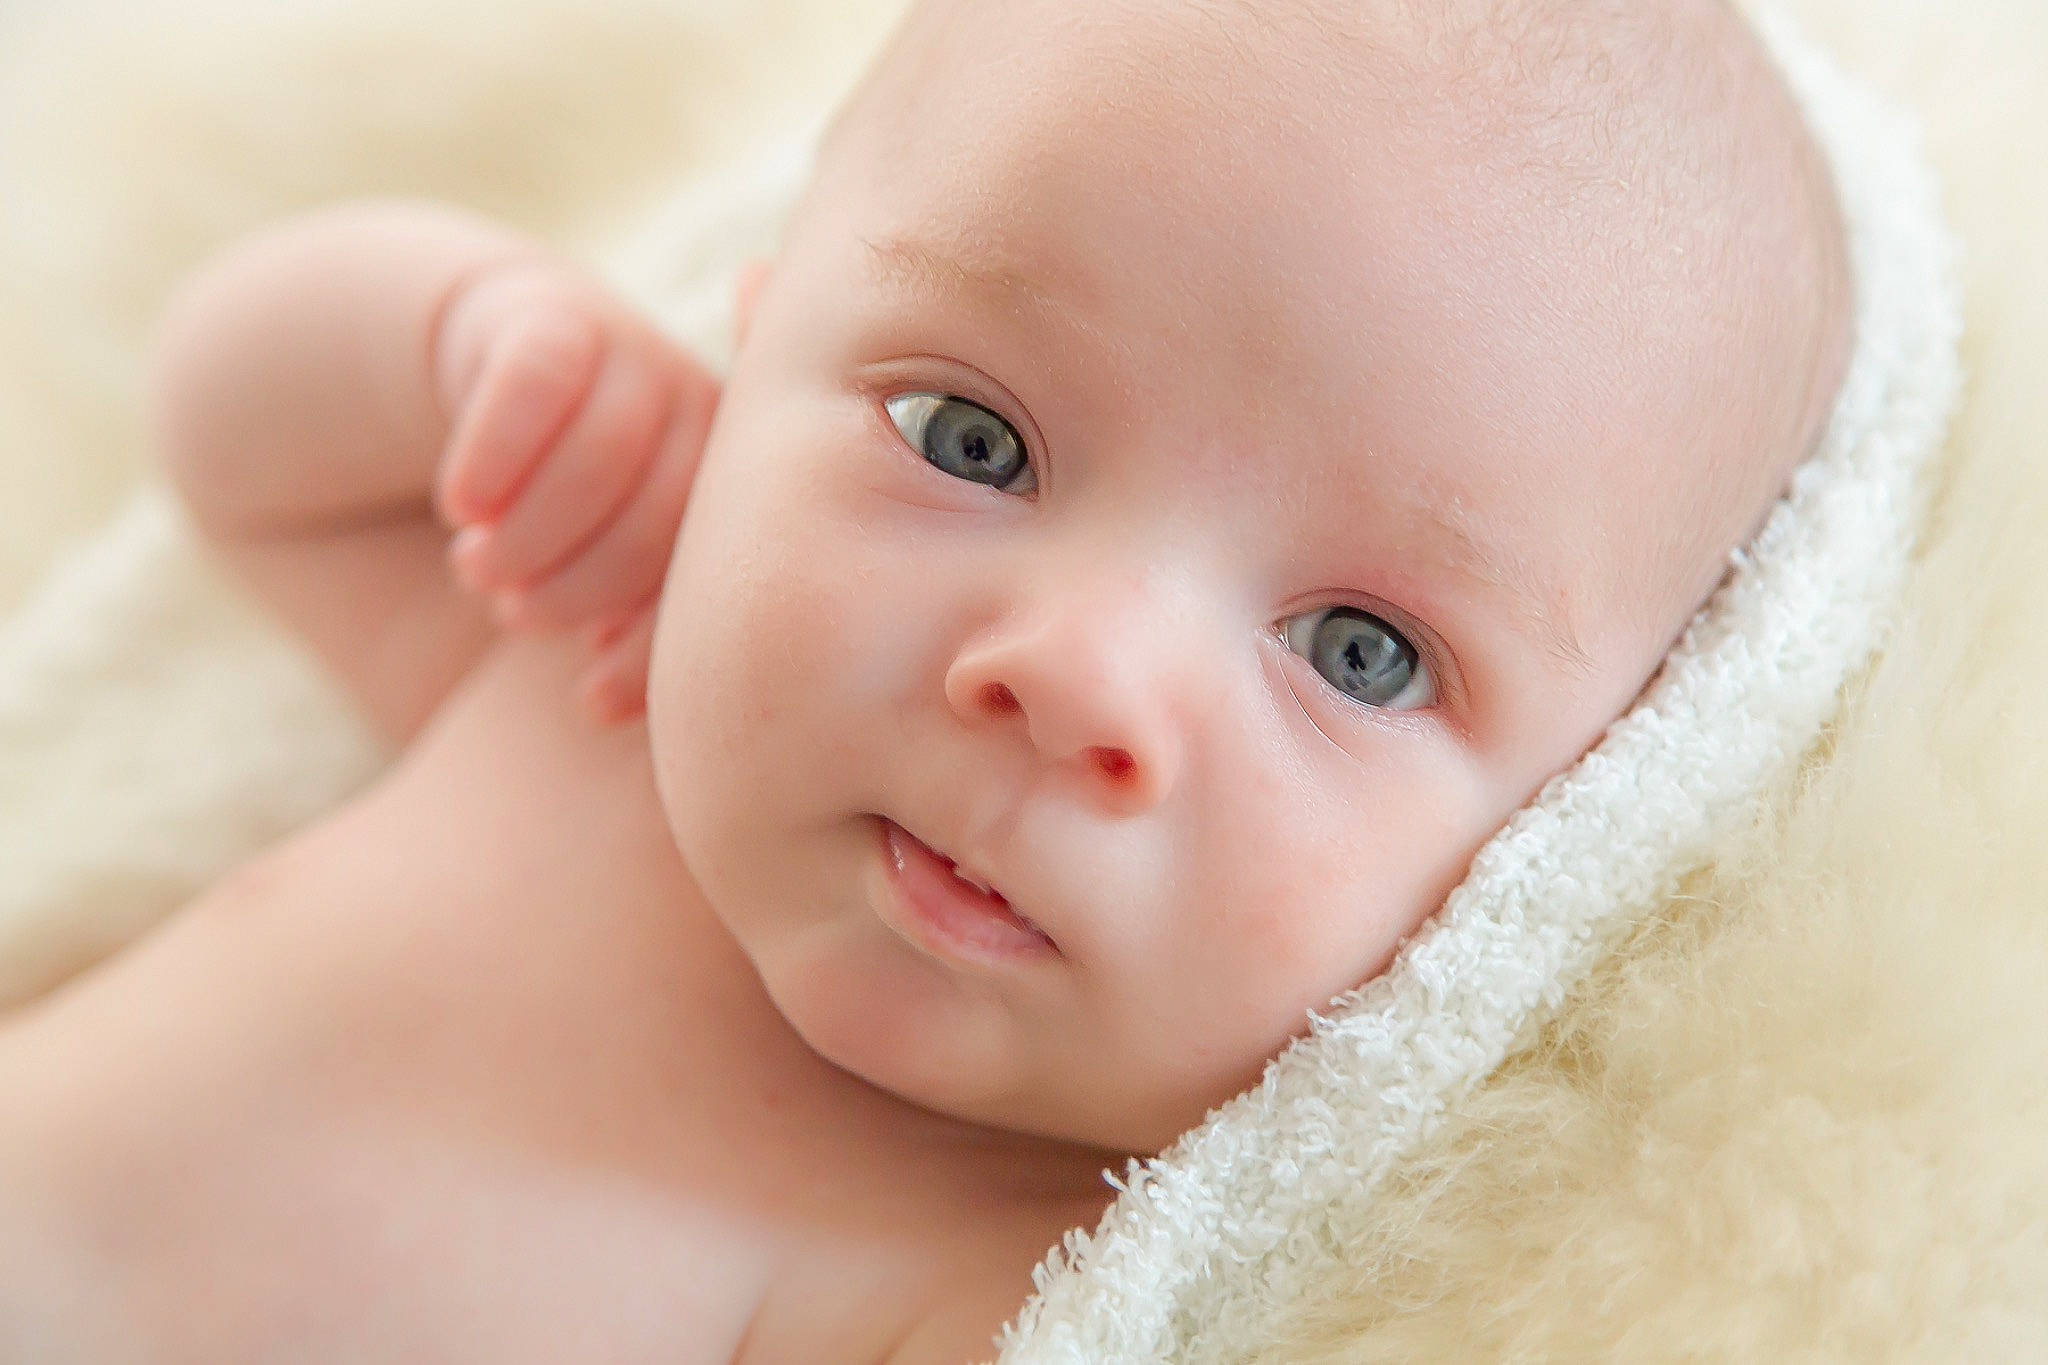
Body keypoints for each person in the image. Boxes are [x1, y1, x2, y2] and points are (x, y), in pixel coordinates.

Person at [0, 0, 1851, 1358]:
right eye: (972, 439)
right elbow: (244, 469)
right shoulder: (614, 678)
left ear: (1566, 836)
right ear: (763, 305)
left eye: (1357, 654)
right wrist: (470, 342)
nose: (1073, 678)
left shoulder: (983, 1276)